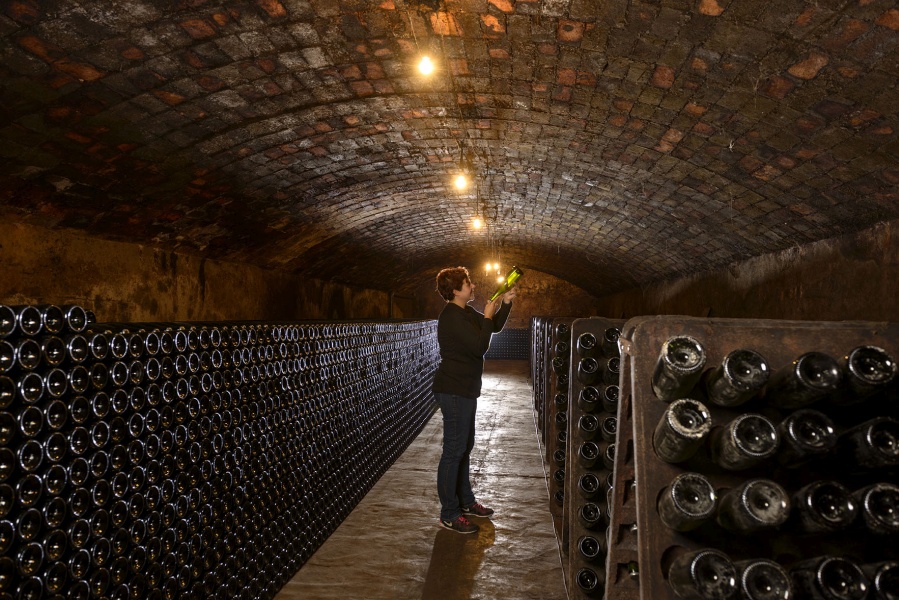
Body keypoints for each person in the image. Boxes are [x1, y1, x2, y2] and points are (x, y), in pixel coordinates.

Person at [432, 266, 515, 534]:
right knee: (453, 451)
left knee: (464, 448)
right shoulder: (451, 317)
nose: (473, 286)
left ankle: (465, 502)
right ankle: (449, 513)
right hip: (454, 389)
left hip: (465, 389)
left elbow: (494, 326)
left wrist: (505, 304)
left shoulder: (465, 312)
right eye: (468, 283)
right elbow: (480, 346)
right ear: (456, 290)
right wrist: (488, 316)